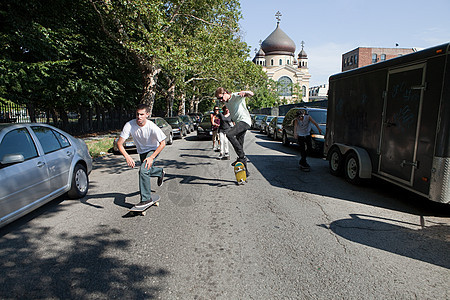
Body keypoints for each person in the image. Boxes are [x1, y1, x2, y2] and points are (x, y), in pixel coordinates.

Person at [117, 104, 166, 207]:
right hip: (142, 151)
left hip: (153, 149)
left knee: (143, 171)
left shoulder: (152, 127)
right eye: (137, 114)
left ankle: (146, 199)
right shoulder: (129, 125)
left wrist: (152, 157)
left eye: (142, 114)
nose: (139, 117)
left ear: (147, 115)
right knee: (146, 170)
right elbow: (119, 144)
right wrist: (127, 156)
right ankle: (160, 172)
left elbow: (163, 143)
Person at [215, 87, 253, 175]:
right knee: (239, 145)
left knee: (229, 134)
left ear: (225, 93)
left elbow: (251, 94)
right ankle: (246, 172)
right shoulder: (226, 102)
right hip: (239, 123)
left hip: (244, 121)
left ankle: (242, 157)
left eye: (221, 97)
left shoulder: (235, 96)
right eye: (218, 99)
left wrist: (245, 92)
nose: (221, 100)